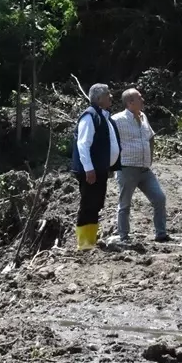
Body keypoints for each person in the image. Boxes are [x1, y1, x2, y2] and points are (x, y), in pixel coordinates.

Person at [112, 88, 170, 244]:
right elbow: (108, 141)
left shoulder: (143, 117)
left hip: (145, 169)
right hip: (127, 168)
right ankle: (124, 237)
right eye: (139, 98)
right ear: (130, 102)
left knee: (159, 198)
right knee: (125, 204)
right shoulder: (117, 120)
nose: (143, 100)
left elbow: (151, 136)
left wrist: (150, 156)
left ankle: (161, 233)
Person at [70, 83, 120, 250]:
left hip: (99, 169)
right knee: (88, 205)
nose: (111, 97)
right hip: (91, 171)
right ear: (99, 99)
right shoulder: (90, 116)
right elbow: (83, 144)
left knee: (96, 204)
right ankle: (84, 244)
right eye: (108, 94)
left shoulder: (102, 115)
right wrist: (89, 169)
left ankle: (90, 241)